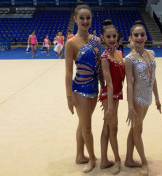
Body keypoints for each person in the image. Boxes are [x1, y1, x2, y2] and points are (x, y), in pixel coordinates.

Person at [64, 1, 103, 173]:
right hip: (80, 89)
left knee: (83, 123)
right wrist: (69, 97)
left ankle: (80, 155)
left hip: (94, 88)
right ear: (75, 19)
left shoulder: (96, 40)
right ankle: (92, 159)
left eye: (88, 18)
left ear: (91, 19)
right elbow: (68, 72)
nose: (85, 21)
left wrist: (104, 86)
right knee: (87, 127)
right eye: (82, 18)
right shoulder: (71, 43)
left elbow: (99, 66)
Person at [124, 20, 161, 176]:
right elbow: (129, 85)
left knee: (135, 129)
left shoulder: (150, 53)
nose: (139, 37)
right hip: (138, 99)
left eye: (142, 34)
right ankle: (144, 163)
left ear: (146, 36)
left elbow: (153, 78)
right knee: (138, 131)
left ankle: (128, 159)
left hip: (148, 99)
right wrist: (130, 106)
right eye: (136, 35)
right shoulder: (129, 59)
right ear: (131, 37)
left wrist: (157, 98)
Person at [99, 20, 124, 175]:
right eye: (108, 36)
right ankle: (117, 160)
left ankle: (103, 160)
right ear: (103, 37)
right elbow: (109, 82)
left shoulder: (119, 53)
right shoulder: (104, 57)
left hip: (116, 95)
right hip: (110, 96)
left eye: (114, 36)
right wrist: (109, 106)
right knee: (113, 128)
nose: (112, 39)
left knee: (107, 128)